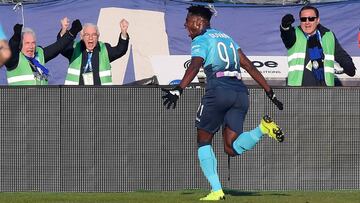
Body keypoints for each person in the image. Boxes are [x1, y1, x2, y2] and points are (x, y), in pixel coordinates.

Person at [161, 5, 284, 201]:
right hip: (240, 93)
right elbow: (249, 65)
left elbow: (195, 65)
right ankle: (262, 129)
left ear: (199, 23)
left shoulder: (201, 39)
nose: (186, 26)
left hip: (219, 90)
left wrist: (179, 89)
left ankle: (217, 190)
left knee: (203, 140)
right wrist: (270, 92)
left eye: (188, 22)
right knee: (231, 147)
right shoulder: (226, 38)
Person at [280, 5, 356, 86]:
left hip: (324, 90)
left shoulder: (328, 35)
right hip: (297, 90)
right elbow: (286, 36)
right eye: (303, 19)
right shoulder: (294, 33)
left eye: (311, 19)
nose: (307, 22)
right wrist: (285, 27)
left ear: (318, 20)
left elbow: (340, 53)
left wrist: (348, 64)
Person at [4, 20, 82, 85]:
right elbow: (11, 49)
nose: (31, 46)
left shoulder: (40, 55)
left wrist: (73, 31)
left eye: (33, 43)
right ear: (20, 45)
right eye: (27, 43)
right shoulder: (13, 60)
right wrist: (16, 37)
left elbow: (58, 46)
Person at [58, 17, 130, 85]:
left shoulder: (104, 49)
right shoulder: (74, 48)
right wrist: (64, 30)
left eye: (94, 35)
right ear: (82, 37)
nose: (90, 38)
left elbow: (120, 50)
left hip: (100, 95)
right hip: (76, 95)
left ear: (98, 37)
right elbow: (61, 46)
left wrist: (123, 32)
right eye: (87, 35)